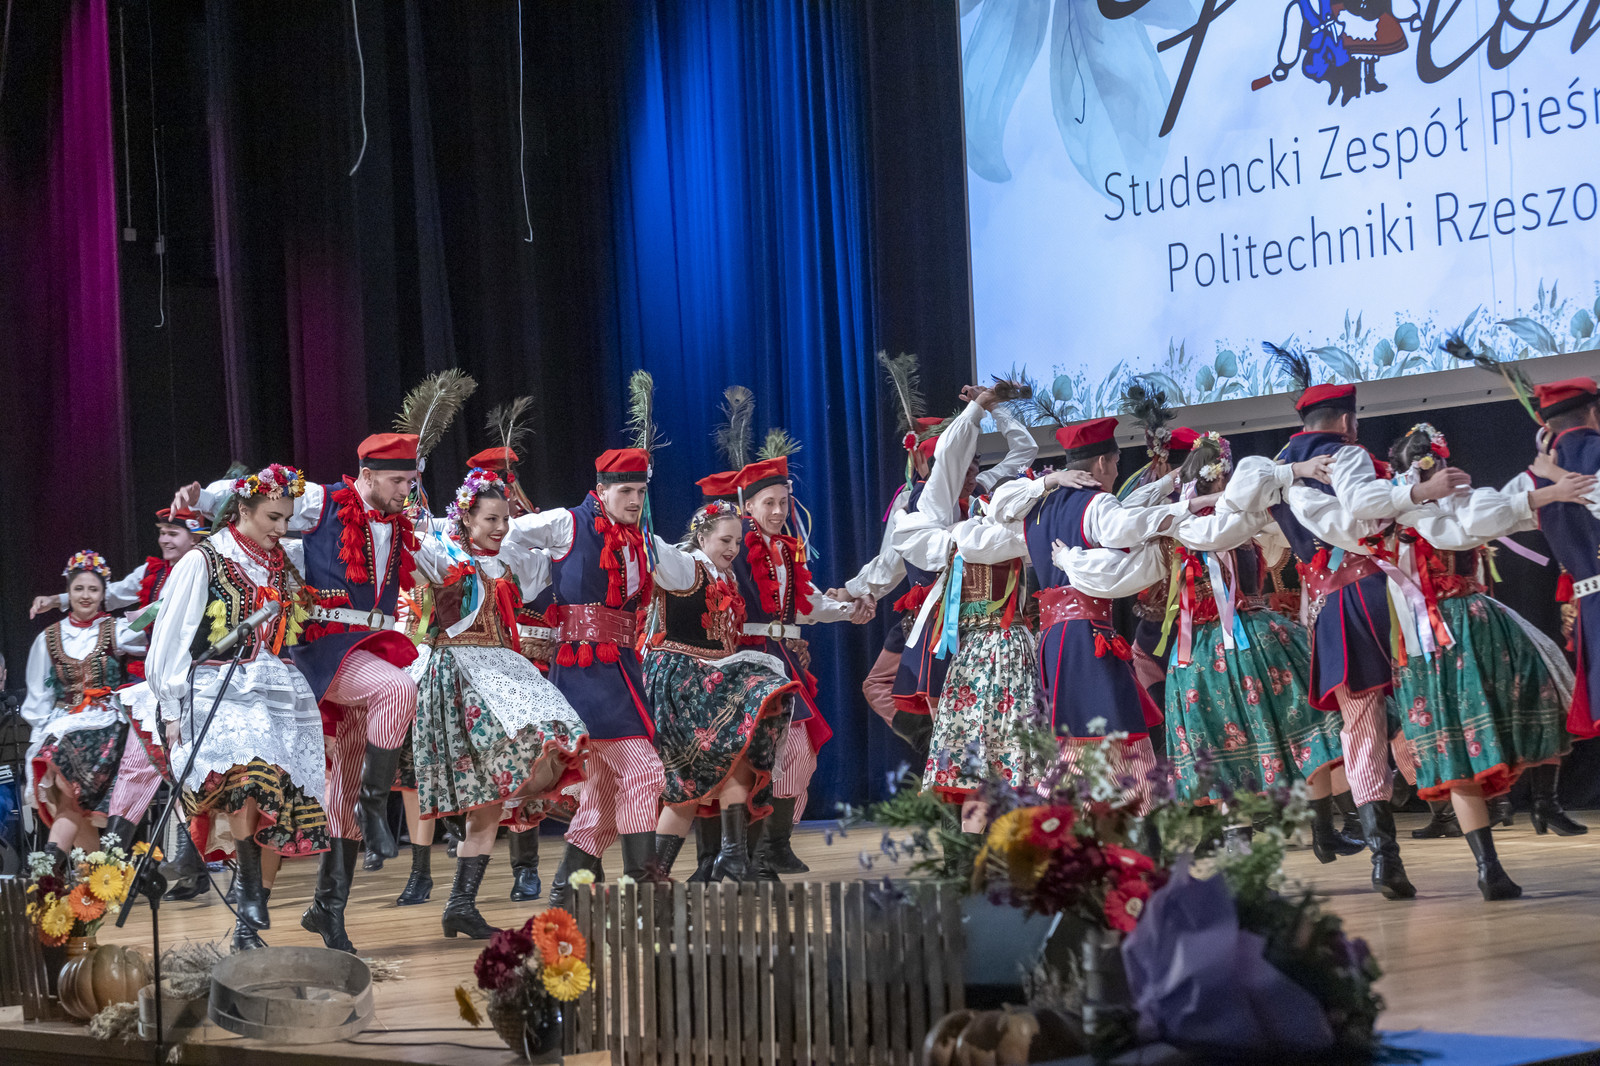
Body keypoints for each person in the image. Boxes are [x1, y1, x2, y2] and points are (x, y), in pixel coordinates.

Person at [1224, 350, 1470, 900]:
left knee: (1360, 726)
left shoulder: (1275, 472)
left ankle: (1386, 858)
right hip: (1381, 595)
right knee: (1421, 702)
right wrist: (1413, 495)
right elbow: (1359, 518)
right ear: (1347, 421)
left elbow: (1239, 510)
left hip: (1331, 606)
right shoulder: (1345, 457)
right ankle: (1451, 810)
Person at [176, 432, 426, 952]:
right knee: (399, 690)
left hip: (371, 649)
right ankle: (375, 809)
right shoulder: (323, 501)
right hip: (325, 651)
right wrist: (202, 499)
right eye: (398, 481)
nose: (406, 490)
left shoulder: (403, 524)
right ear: (368, 475)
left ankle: (327, 910)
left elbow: (443, 552)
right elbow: (259, 492)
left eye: (410, 481)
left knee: (339, 796)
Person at [1383, 424, 1591, 899]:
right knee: (1455, 748)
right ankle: (1488, 866)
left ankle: (1545, 801)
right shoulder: (1407, 511)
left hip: (1477, 619)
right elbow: (1463, 532)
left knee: (1544, 687)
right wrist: (1540, 494)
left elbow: (1497, 511)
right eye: (1435, 464)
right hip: (1434, 635)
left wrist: (1542, 480)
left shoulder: (1458, 501)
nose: (1446, 472)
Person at [133, 464, 330, 949]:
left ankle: (248, 920)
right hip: (216, 688)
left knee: (280, 798)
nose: (281, 528)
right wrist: (171, 709)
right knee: (249, 778)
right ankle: (248, 890)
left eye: (287, 519)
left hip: (275, 688)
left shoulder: (284, 561)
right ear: (242, 509)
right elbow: (170, 637)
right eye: (272, 517)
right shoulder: (203, 560)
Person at [988, 418, 1212, 816]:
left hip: (1054, 640)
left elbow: (1123, 512)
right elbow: (1122, 526)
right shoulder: (1098, 503)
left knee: (1085, 733)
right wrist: (1187, 509)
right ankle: (1106, 823)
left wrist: (1166, 485)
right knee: (1111, 730)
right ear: (1104, 463)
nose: (1116, 472)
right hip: (1087, 636)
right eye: (1116, 462)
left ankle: (1099, 824)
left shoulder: (1038, 508)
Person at [409, 468, 588, 938]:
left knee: (494, 797)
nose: (502, 527)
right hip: (460, 673)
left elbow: (562, 555)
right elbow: (407, 550)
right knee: (491, 787)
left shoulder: (508, 563)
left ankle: (460, 906)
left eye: (505, 519)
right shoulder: (442, 554)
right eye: (491, 519)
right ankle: (461, 900)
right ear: (466, 518)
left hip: (502, 668)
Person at [1155, 434, 1353, 855]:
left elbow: (1273, 526)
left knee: (1309, 721)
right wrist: (1272, 493)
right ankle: (1241, 848)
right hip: (1213, 646)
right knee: (1228, 745)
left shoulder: (1236, 516)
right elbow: (1223, 531)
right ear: (1218, 477)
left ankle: (1324, 830)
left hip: (1252, 638)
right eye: (1226, 476)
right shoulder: (1187, 522)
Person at [505, 444, 669, 907]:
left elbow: (680, 572)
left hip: (622, 667)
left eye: (640, 491)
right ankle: (641, 887)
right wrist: (539, 575)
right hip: (583, 671)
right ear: (601, 489)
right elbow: (509, 535)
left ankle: (566, 890)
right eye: (625, 491)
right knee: (644, 771)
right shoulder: (567, 523)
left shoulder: (641, 541)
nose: (635, 500)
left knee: (602, 794)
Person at [892, 386, 1040, 831]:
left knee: (984, 739)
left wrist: (999, 410)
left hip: (984, 633)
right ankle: (959, 842)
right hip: (950, 630)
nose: (973, 473)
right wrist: (976, 410)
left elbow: (1024, 453)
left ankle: (986, 838)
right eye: (967, 466)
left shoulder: (987, 501)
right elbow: (950, 458)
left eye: (978, 465)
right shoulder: (934, 505)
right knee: (956, 736)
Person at [646, 500, 800, 880]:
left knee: (737, 754)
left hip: (708, 677)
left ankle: (731, 854)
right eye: (725, 540)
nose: (733, 548)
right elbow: (652, 548)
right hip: (681, 681)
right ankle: (658, 878)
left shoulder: (724, 577)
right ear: (702, 537)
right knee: (685, 786)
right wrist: (639, 505)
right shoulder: (686, 566)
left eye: (737, 541)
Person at [727, 442, 863, 874]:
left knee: (799, 754)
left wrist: (849, 610)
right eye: (769, 502)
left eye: (784, 503)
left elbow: (807, 603)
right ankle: (744, 853)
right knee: (755, 759)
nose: (778, 511)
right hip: (744, 659)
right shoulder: (734, 544)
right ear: (748, 505)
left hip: (781, 659)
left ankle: (774, 844)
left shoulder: (786, 550)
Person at [22, 552, 146, 871]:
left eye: (93, 589)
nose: (86, 596)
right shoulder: (48, 638)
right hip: (63, 723)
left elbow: (157, 618)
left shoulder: (116, 629)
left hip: (104, 725)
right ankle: (99, 878)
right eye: (79, 589)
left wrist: (174, 585)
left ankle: (48, 867)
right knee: (70, 799)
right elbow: (38, 698)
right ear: (69, 592)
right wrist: (39, 737)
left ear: (104, 594)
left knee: (64, 780)